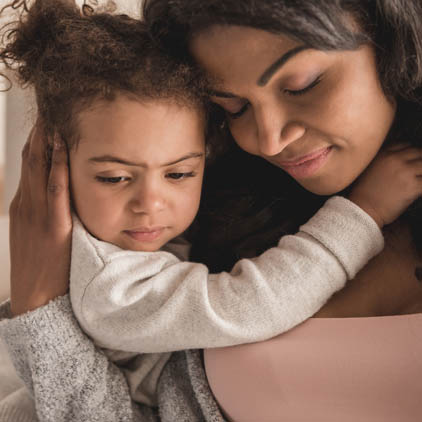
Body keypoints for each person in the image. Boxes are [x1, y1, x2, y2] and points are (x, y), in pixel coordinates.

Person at [0, 0, 421, 421]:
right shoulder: (122, 273)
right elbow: (246, 306)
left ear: (392, 36)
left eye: (301, 84)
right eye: (233, 108)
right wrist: (363, 212)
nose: (269, 141)